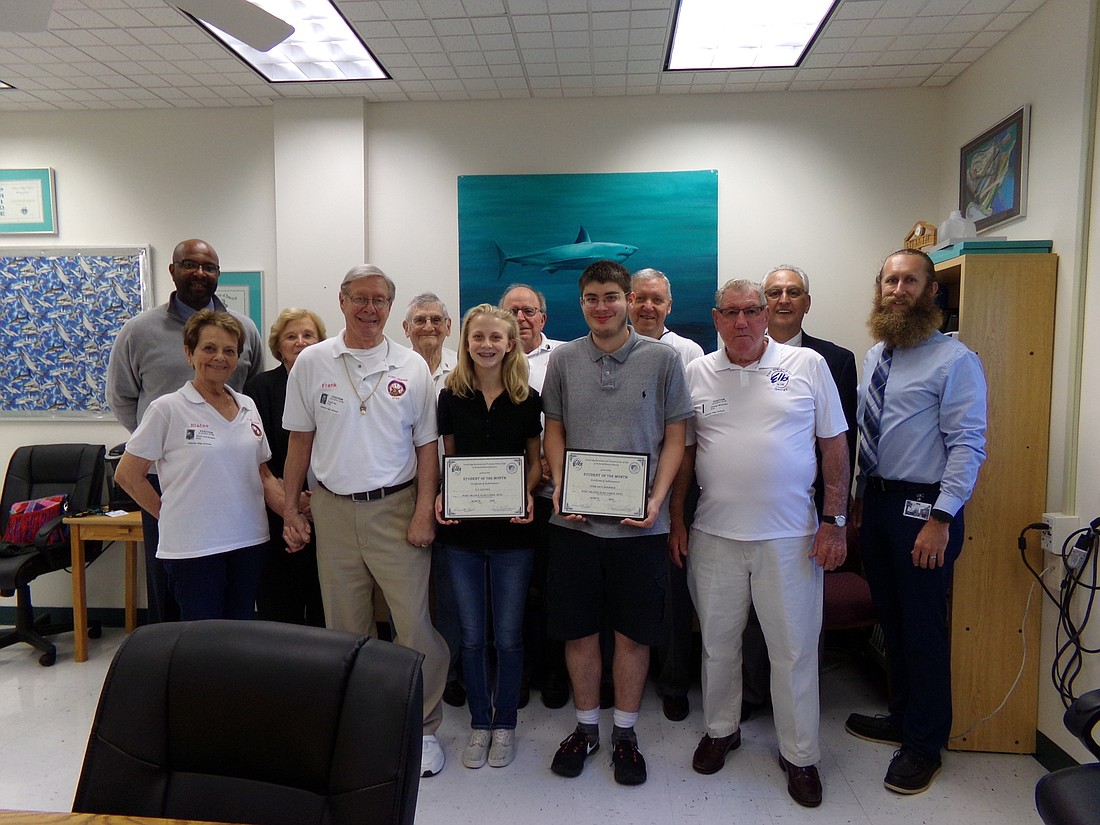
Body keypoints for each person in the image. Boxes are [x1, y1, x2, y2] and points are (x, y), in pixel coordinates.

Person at [669, 279, 849, 808]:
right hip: (713, 534)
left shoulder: (807, 366)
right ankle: (722, 729)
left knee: (793, 651)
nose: (743, 321)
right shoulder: (696, 372)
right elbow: (686, 451)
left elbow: (834, 445)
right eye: (732, 312)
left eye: (753, 310)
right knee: (717, 644)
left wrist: (834, 521)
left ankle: (800, 755)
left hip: (792, 537)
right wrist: (678, 520)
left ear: (768, 313)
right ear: (716, 318)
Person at [281, 264, 450, 779]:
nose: (369, 308)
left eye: (379, 300)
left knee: (413, 623)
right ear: (342, 300)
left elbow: (426, 447)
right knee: (344, 626)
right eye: (360, 298)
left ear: (390, 308)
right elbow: (298, 443)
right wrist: (290, 507)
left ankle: (422, 727)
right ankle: (357, 725)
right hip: (332, 509)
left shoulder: (411, 365)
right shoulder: (312, 362)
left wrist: (425, 510)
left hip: (396, 508)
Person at [542, 260, 691, 786]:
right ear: (580, 304)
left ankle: (625, 732)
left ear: (629, 298)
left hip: (638, 526)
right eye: (590, 299)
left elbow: (676, 436)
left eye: (610, 296)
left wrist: (657, 499)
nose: (600, 307)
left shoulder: (663, 360)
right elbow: (553, 429)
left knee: (633, 633)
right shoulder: (563, 359)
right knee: (579, 631)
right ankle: (585, 728)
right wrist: (560, 485)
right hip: (575, 524)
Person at [845, 249, 987, 795]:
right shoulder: (878, 354)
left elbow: (968, 445)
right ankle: (900, 719)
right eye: (890, 280)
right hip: (878, 505)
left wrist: (941, 517)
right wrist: (859, 498)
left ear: (933, 292)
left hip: (925, 510)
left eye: (910, 281)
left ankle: (925, 746)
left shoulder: (955, 361)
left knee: (924, 628)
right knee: (892, 621)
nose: (897, 289)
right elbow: (870, 435)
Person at [107, 238, 263, 623]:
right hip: (165, 481)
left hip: (235, 491)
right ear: (172, 270)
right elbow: (122, 398)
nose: (199, 273)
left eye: (209, 267)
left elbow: (253, 386)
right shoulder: (138, 330)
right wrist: (163, 444)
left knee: (234, 613)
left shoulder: (244, 328)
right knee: (177, 604)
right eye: (190, 264)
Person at [739, 264, 859, 719]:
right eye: (774, 293)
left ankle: (800, 703)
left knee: (802, 612)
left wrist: (837, 516)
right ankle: (753, 695)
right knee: (751, 609)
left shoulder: (834, 360)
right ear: (762, 305)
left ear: (807, 302)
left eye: (794, 292)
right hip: (749, 509)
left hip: (809, 506)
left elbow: (840, 442)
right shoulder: (734, 354)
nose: (784, 299)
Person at [114, 311, 282, 621]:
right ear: (189, 353)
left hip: (248, 541)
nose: (220, 357)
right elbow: (127, 474)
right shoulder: (167, 409)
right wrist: (168, 516)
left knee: (239, 631)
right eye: (209, 348)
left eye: (229, 351)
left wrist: (294, 508)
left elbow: (263, 474)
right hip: (194, 550)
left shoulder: (247, 406)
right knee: (201, 642)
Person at [435, 304, 543, 769]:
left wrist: (528, 493)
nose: (486, 345)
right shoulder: (450, 397)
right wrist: (444, 494)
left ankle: (506, 726)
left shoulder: (528, 398)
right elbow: (451, 459)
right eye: (477, 337)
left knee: (510, 637)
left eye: (496, 338)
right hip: (461, 534)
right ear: (466, 342)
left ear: (510, 343)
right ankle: (480, 724)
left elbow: (536, 460)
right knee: (473, 637)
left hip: (513, 534)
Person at [628, 267, 704, 724]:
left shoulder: (687, 353)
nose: (648, 307)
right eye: (640, 298)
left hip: (673, 488)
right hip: (615, 489)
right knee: (626, 586)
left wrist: (677, 513)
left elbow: (687, 439)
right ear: (627, 302)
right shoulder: (604, 348)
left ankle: (674, 682)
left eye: (657, 299)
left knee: (673, 590)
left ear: (669, 306)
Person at [499, 283, 569, 709]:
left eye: (529, 311)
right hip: (502, 497)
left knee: (555, 587)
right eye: (513, 311)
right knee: (514, 590)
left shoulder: (566, 357)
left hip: (553, 493)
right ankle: (519, 674)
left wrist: (548, 466)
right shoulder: (485, 357)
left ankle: (555, 673)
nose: (521, 318)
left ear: (543, 317)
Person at [243, 307, 327, 626]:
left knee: (324, 600)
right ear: (279, 345)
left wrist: (314, 501)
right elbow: (257, 457)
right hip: (276, 507)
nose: (300, 342)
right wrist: (291, 505)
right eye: (291, 336)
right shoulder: (259, 389)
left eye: (308, 335)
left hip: (327, 506)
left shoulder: (333, 385)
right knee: (280, 599)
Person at [403, 291, 465, 707]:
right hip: (402, 489)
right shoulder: (393, 369)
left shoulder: (465, 370)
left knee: (450, 587)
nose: (428, 327)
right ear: (406, 328)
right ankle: (407, 672)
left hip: (457, 492)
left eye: (435, 320)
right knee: (407, 589)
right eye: (419, 320)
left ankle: (453, 671)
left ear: (448, 327)